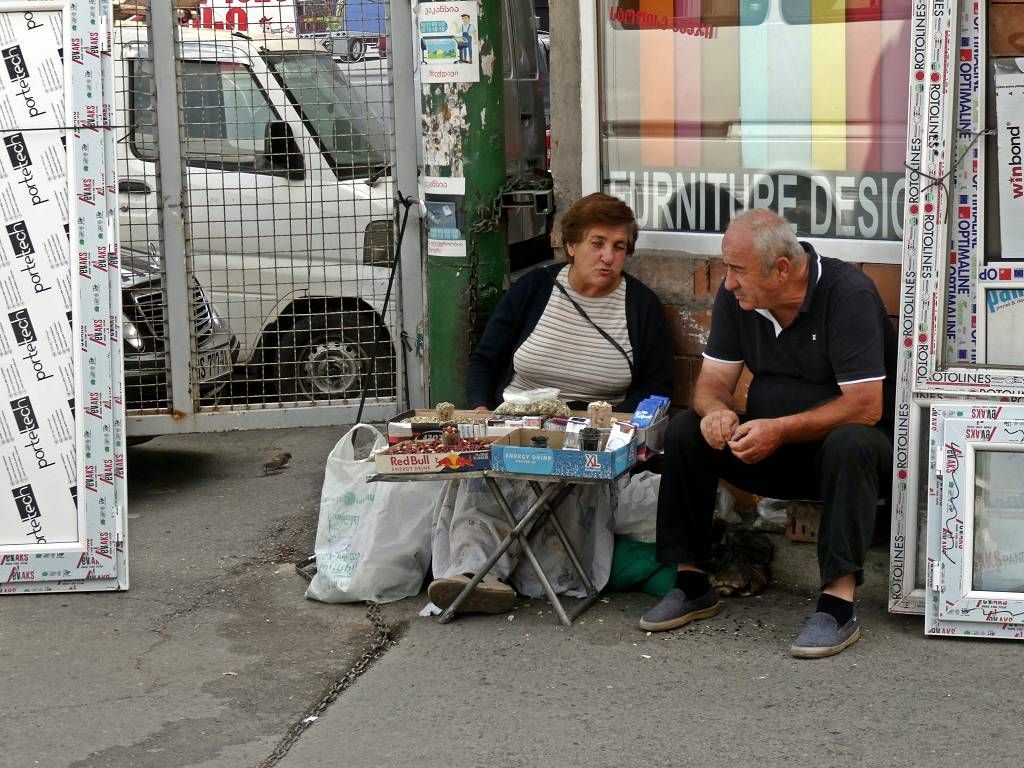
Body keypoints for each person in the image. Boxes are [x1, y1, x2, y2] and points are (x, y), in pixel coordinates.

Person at [638, 209, 895, 659]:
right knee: (686, 430)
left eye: (738, 270)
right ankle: (692, 581)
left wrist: (780, 429)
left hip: (839, 459)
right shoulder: (738, 299)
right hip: (767, 450)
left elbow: (866, 405)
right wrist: (716, 412)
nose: (729, 281)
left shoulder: (848, 294)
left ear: (782, 269)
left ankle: (837, 604)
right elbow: (712, 384)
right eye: (725, 269)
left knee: (852, 441)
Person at [427, 193, 674, 613]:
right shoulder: (536, 289)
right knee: (492, 472)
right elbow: (485, 360)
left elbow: (656, 389)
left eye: (619, 247)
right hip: (515, 424)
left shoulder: (641, 307)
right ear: (571, 245)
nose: (608, 257)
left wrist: (618, 428)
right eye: (597, 244)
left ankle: (514, 571)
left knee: (573, 483)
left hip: (592, 438)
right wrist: (482, 410)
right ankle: (473, 576)